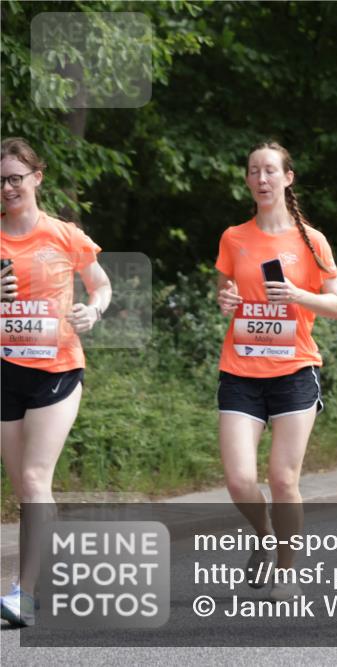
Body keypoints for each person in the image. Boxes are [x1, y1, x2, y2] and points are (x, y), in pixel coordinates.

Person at [215, 142, 337, 602]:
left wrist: (296, 295)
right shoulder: (234, 236)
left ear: (287, 178)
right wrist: (226, 301)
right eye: (254, 171)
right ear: (248, 180)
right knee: (237, 479)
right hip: (240, 370)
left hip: (294, 370)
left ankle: (288, 570)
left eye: (271, 170)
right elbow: (225, 292)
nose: (262, 178)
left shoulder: (311, 241)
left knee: (283, 479)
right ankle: (264, 534)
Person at [1, 138, 112, 627]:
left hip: (58, 368)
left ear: (36, 179)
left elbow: (101, 284)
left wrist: (95, 309)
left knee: (32, 478)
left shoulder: (65, 235)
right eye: (1, 180)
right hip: (6, 370)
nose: (7, 188)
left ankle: (25, 591)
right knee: (24, 488)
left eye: (15, 178)